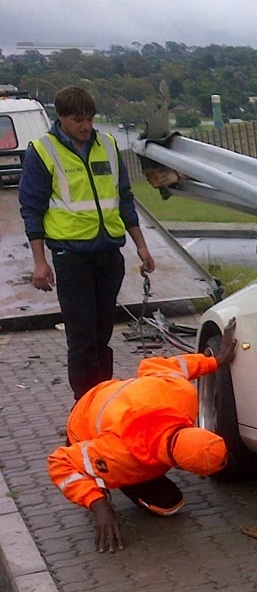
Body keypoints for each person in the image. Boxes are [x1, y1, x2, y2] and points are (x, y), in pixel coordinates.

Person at [47, 319, 239, 553]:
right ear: (182, 467)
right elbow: (59, 462)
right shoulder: (120, 456)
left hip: (109, 396)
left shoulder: (183, 397)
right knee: (158, 502)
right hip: (82, 426)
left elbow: (156, 366)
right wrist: (97, 504)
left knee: (171, 504)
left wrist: (215, 361)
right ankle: (103, 482)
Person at [20, 85, 156, 400]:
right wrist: (40, 262)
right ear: (61, 118)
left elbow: (124, 200)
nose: (85, 126)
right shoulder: (42, 151)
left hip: (109, 254)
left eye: (89, 118)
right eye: (78, 119)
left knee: (102, 335)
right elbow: (32, 209)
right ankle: (85, 405)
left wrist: (141, 246)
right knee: (81, 337)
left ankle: (103, 397)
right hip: (71, 256)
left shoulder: (107, 145)